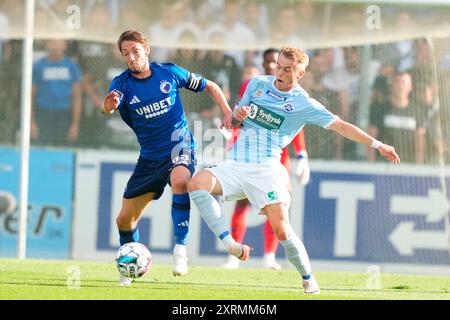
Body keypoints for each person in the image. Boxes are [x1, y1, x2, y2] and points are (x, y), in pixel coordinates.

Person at [188, 47, 400, 294]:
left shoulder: (303, 103)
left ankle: (308, 278)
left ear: (299, 74)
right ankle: (231, 245)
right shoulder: (256, 84)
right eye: (278, 66)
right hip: (235, 163)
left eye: (287, 69)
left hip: (266, 169)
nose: (279, 71)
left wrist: (377, 144)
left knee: (281, 229)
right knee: (196, 183)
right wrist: (238, 115)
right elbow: (233, 123)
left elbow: (341, 126)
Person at [101, 30, 233, 286]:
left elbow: (212, 87)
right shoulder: (121, 84)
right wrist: (109, 104)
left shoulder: (170, 72)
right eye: (125, 53)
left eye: (135, 51)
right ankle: (128, 268)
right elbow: (108, 108)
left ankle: (180, 250)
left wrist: (227, 112)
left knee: (182, 180)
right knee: (124, 220)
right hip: (150, 158)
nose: (131, 57)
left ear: (146, 50)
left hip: (179, 146)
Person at [224, 48, 310, 270]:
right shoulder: (255, 85)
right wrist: (232, 140)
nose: (274, 67)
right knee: (242, 203)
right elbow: (239, 117)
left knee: (277, 206)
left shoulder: (296, 96)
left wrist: (302, 155)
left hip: (278, 156)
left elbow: (297, 126)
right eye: (271, 63)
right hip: (249, 152)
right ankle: (234, 256)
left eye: (278, 64)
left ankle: (269, 256)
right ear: (264, 64)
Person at [31, 39, 82, 146]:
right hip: (43, 114)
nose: (55, 47)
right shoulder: (38, 66)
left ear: (65, 46)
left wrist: (75, 125)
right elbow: (31, 95)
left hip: (64, 115)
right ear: (46, 45)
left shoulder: (71, 66)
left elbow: (77, 96)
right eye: (52, 42)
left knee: (62, 148)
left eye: (59, 43)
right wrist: (32, 122)